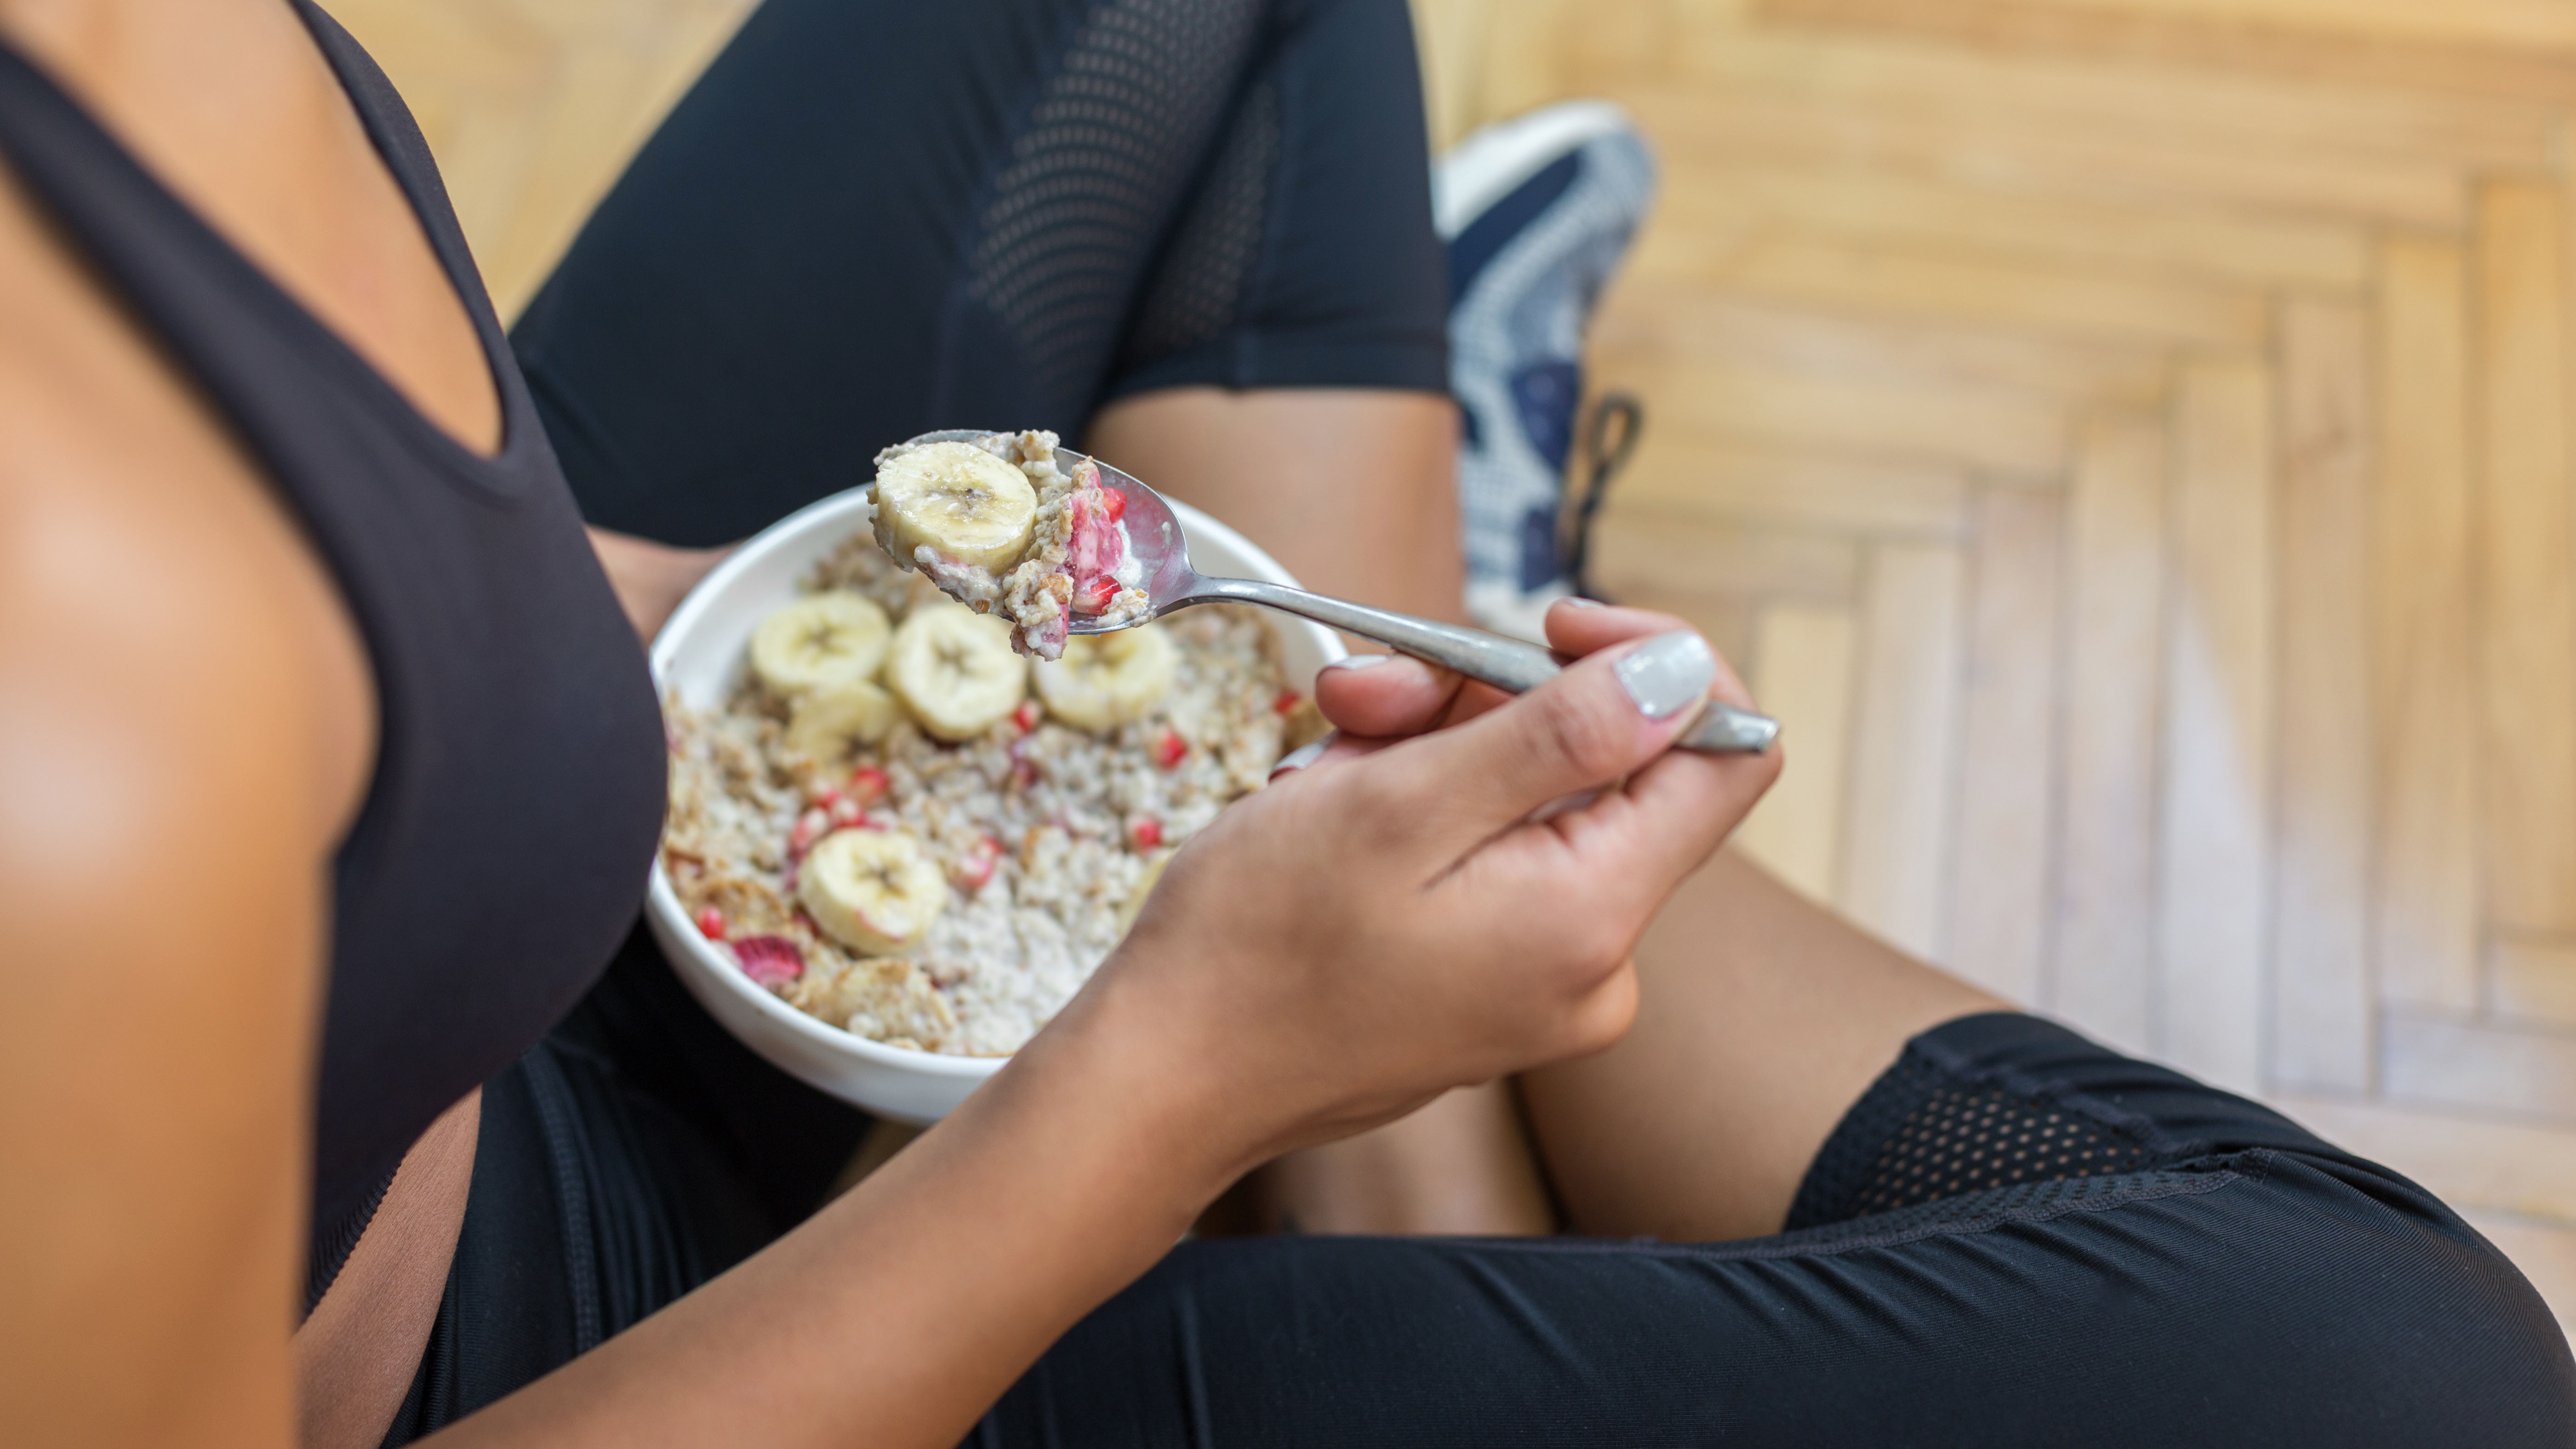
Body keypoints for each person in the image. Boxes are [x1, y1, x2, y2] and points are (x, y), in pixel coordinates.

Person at [0, 5, 2566, 1449]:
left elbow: (359, 555)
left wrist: (738, 640)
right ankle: (1405, 1040)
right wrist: (1180, 1085)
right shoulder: (72, 787)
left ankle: (1406, 927)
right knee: (2396, 1375)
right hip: (594, 1360)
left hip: (501, 889)